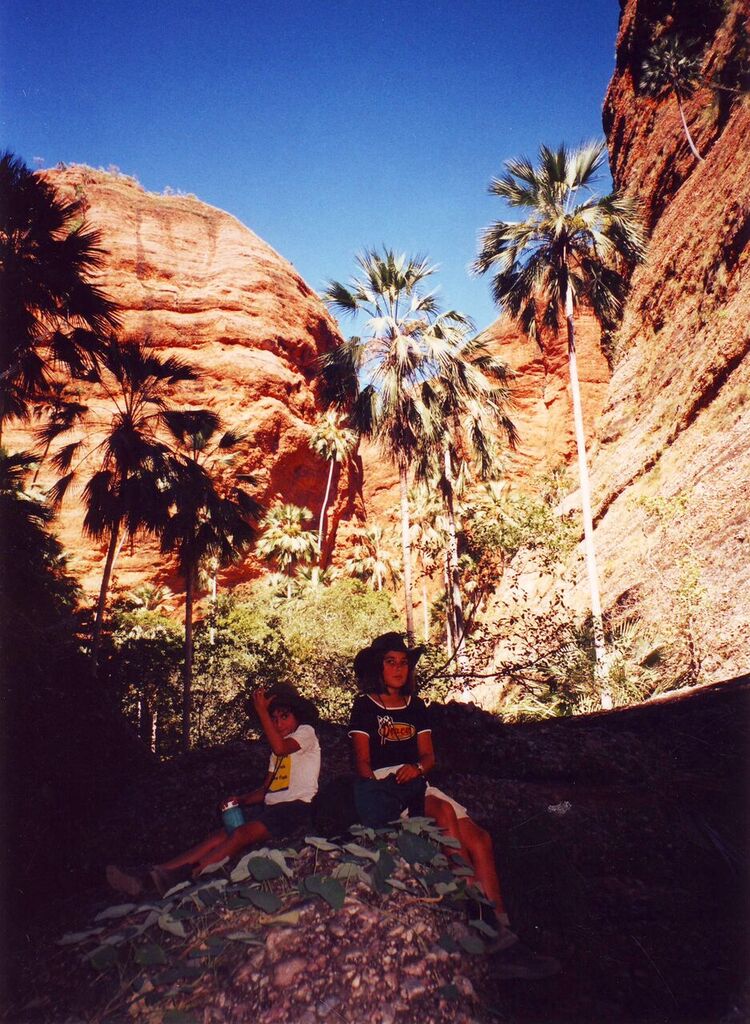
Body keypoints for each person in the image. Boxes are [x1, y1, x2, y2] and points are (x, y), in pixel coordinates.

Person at [348, 633, 560, 978]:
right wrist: (380, 788)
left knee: (481, 839)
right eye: (391, 662)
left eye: (404, 662)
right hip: (388, 785)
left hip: (417, 778)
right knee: (444, 817)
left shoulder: (416, 706)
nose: (399, 668)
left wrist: (416, 769)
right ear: (377, 667)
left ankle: (503, 932)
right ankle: (483, 923)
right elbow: (360, 762)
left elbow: (429, 756)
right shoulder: (365, 706)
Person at [107, 683, 320, 897]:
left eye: (284, 717)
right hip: (271, 808)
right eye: (273, 718)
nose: (278, 723)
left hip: (295, 808)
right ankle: (155, 874)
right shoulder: (276, 753)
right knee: (218, 835)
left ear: (298, 717)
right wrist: (241, 800)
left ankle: (185, 876)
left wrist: (262, 711)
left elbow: (281, 748)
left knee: (240, 834)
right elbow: (267, 789)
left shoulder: (305, 733)